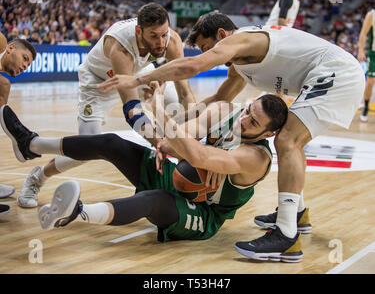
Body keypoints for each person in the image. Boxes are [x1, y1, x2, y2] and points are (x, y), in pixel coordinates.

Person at [98, 12, 365, 262]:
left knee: (287, 140)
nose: (209, 54)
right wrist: (176, 125)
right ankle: (295, 213)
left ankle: (286, 235)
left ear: (223, 35)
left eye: (208, 47)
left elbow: (194, 65)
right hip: (323, 74)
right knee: (290, 138)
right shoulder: (240, 62)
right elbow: (220, 101)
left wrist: (138, 79)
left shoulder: (243, 40)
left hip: (337, 73)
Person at [0, 88, 289, 250]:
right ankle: (32, 144)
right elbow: (178, 141)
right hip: (177, 176)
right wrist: (173, 146)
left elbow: (197, 154)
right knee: (113, 143)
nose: (244, 121)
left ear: (267, 135)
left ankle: (76, 213)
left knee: (153, 200)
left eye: (253, 123)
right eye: (249, 111)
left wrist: (159, 108)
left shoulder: (256, 157)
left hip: (204, 213)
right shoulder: (228, 111)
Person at [18, 2, 196, 208]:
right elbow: (132, 110)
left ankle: (183, 172)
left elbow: (185, 91)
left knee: (175, 103)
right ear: (139, 31)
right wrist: (158, 143)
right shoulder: (121, 47)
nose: (161, 42)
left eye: (164, 34)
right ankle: (37, 177)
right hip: (98, 82)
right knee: (88, 147)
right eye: (154, 36)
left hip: (139, 73)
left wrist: (195, 141)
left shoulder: (171, 41)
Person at [0, 31, 36, 216]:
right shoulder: (1, 41)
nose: (25, 66)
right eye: (25, 58)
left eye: (28, 64)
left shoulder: (4, 84)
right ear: (10, 48)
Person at [357, 9, 375, 122]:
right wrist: (360, 50)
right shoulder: (372, 14)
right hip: (373, 53)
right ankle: (366, 106)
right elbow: (363, 33)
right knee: (370, 82)